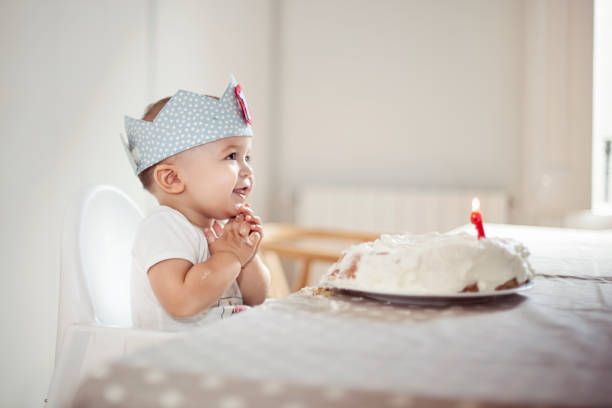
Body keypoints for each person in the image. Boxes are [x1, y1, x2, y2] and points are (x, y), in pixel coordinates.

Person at [121, 75, 271, 330]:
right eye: (232, 156)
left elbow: (256, 299)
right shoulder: (164, 227)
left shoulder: (222, 229)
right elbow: (181, 303)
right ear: (172, 178)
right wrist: (230, 256)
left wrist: (247, 256)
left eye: (248, 157)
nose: (247, 170)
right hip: (173, 359)